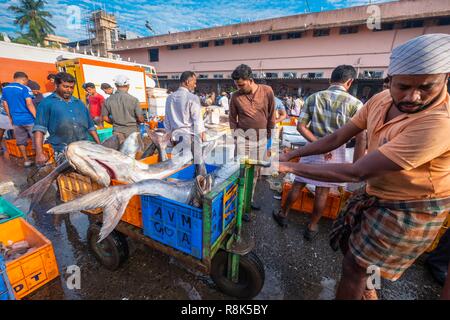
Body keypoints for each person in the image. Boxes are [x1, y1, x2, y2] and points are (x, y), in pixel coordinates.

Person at [278, 33, 450, 300]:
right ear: (389, 80)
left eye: (426, 87)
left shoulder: (440, 122)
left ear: (445, 80)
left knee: (353, 267)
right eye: (403, 86)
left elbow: (357, 171)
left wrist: (290, 168)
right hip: (377, 192)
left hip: (413, 206)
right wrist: (293, 155)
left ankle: (363, 284)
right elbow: (337, 138)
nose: (413, 96)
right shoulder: (379, 100)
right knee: (354, 253)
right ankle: (367, 288)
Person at [273, 65, 365, 240]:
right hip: (338, 151)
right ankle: (312, 227)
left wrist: (319, 144)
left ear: (330, 80)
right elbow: (360, 136)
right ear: (350, 82)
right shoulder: (356, 104)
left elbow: (300, 126)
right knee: (323, 191)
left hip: (311, 147)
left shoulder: (313, 97)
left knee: (298, 183)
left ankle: (283, 215)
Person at [229, 64, 275, 220]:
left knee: (254, 173)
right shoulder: (235, 97)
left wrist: (269, 139)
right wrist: (236, 136)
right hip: (243, 140)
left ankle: (248, 200)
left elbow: (271, 115)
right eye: (237, 85)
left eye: (241, 85)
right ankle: (238, 204)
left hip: (261, 139)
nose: (239, 88)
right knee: (240, 171)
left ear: (250, 80)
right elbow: (232, 118)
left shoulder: (267, 91)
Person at [33, 72, 100, 165]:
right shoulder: (46, 103)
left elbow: (91, 126)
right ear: (56, 85)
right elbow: (39, 129)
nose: (69, 90)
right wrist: (39, 153)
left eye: (71, 87)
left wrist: (99, 145)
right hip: (62, 150)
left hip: (84, 148)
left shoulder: (79, 103)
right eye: (65, 86)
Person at [2, 72, 37, 167]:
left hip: (16, 120)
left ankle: (26, 160)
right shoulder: (25, 88)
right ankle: (38, 158)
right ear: (24, 79)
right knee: (36, 138)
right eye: (26, 81)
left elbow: (5, 104)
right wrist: (36, 117)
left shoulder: (5, 89)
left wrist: (10, 117)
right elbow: (29, 103)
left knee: (21, 140)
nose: (26, 83)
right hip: (28, 119)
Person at [164, 71, 206, 141]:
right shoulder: (193, 98)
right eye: (194, 83)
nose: (195, 86)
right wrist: (201, 135)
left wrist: (169, 136)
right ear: (187, 82)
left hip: (175, 138)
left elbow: (167, 120)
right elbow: (197, 120)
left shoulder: (169, 98)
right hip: (189, 138)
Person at [102, 75, 145, 140]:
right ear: (128, 85)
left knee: (118, 150)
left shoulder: (108, 100)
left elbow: (105, 118)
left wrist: (115, 123)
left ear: (115, 85)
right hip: (132, 132)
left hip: (117, 132)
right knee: (135, 150)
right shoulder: (134, 100)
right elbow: (140, 119)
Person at [0, 82, 13, 155]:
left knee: (14, 130)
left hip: (8, 115)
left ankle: (14, 147)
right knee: (2, 130)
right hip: (4, 115)